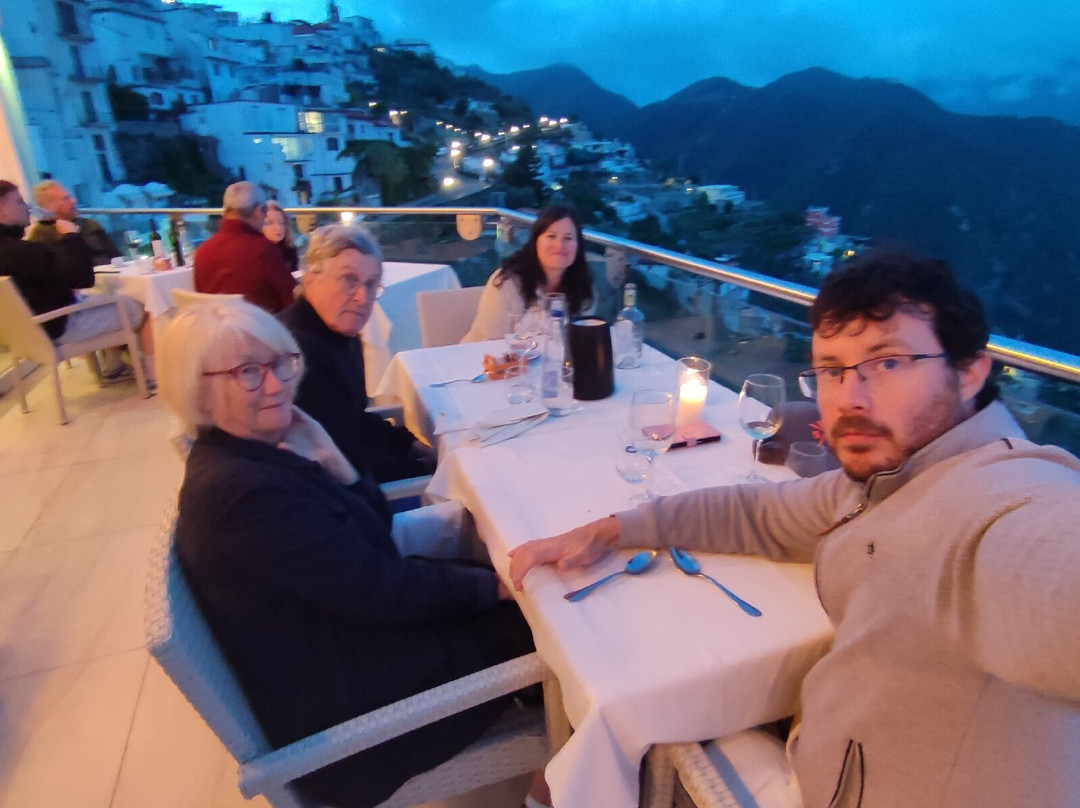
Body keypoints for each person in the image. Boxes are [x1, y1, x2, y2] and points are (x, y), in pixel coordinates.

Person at [509, 253, 1080, 808]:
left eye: (887, 362)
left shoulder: (998, 505)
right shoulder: (886, 480)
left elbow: (1045, 572)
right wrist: (613, 528)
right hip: (829, 758)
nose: (850, 399)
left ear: (970, 371)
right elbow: (759, 512)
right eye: (831, 371)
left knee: (619, 730)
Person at [158, 299, 550, 808]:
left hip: (339, 650)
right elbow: (381, 590)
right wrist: (498, 585)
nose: (276, 385)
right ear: (198, 389)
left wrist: (331, 459)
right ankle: (555, 784)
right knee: (550, 625)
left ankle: (557, 741)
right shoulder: (243, 495)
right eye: (248, 373)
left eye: (280, 363)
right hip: (348, 729)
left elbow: (372, 542)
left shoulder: (251, 455)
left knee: (492, 583)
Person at [278, 224, 436, 484]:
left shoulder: (340, 334)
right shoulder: (299, 354)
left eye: (371, 284)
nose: (363, 298)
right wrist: (424, 468)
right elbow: (340, 460)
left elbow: (355, 421)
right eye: (349, 280)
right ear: (311, 280)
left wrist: (409, 444)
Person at [0, 180, 141, 380]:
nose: (27, 207)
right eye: (19, 202)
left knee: (104, 299)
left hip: (29, 334)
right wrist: (70, 236)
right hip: (60, 327)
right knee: (137, 306)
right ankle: (154, 374)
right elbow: (83, 279)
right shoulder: (22, 251)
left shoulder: (16, 250)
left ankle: (114, 364)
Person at [462, 205, 594, 342]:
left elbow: (582, 339)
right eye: (551, 236)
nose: (559, 245)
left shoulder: (582, 286)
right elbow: (491, 342)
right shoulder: (507, 282)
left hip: (549, 355)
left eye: (568, 238)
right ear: (535, 241)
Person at [193, 181, 295, 313]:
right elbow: (291, 299)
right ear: (258, 211)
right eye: (265, 211)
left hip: (214, 324)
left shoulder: (203, 251)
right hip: (261, 324)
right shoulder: (262, 250)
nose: (265, 217)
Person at [27, 179, 122, 266]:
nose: (73, 201)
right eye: (66, 199)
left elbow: (116, 257)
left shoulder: (90, 225)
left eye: (70, 196)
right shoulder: (40, 237)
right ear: (49, 207)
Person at [261, 199, 299, 274]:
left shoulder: (290, 250)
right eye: (270, 223)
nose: (278, 228)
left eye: (282, 223)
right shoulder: (256, 253)